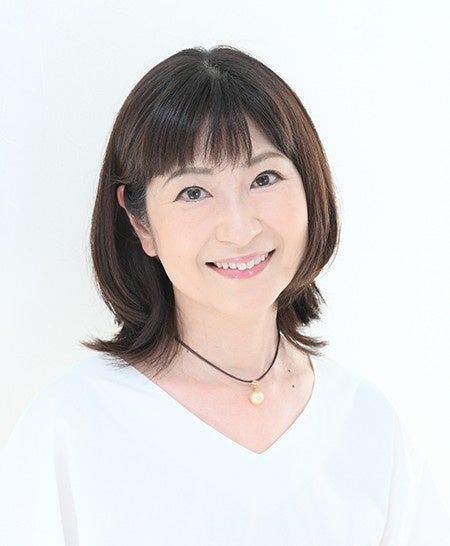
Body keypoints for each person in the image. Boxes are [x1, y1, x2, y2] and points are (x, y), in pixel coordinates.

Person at [1, 46, 449, 546]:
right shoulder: (71, 426)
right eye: (193, 191)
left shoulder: (368, 427)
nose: (238, 228)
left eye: (264, 178)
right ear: (140, 222)